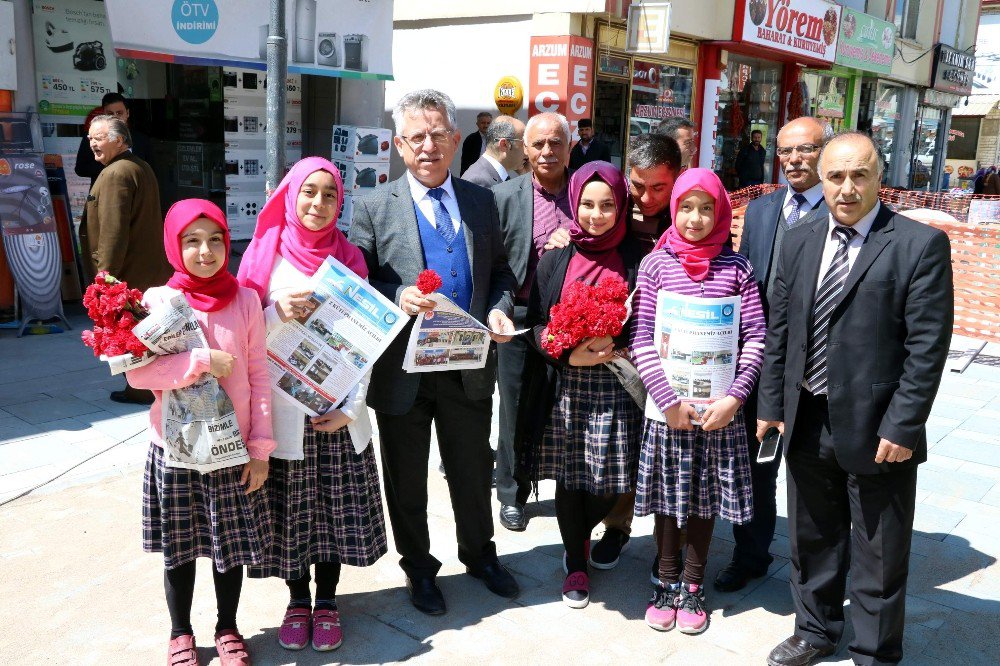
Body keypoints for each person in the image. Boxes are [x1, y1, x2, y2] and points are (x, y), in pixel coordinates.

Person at [759, 132, 953, 666]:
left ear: (878, 178)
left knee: (879, 553)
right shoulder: (798, 239)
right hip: (806, 418)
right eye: (835, 176)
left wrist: (903, 426)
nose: (846, 188)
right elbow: (783, 331)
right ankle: (815, 630)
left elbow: (926, 348)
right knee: (812, 537)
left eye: (858, 175)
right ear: (820, 180)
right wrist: (771, 406)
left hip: (879, 428)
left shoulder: (918, 244)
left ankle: (874, 651)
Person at [348, 89, 519, 616]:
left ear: (454, 138)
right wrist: (397, 295)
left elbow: (503, 274)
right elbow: (362, 280)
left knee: (470, 468)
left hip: (468, 365)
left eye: (438, 134)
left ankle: (480, 555)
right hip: (403, 371)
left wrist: (499, 308)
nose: (429, 146)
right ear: (400, 145)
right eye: (417, 136)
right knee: (406, 476)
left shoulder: (479, 200)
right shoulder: (374, 205)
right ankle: (419, 569)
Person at [238, 157, 387, 653]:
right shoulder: (263, 256)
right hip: (281, 416)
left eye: (328, 195)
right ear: (290, 195)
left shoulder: (349, 258)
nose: (318, 204)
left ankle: (327, 600)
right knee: (290, 513)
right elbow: (241, 333)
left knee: (330, 513)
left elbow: (366, 343)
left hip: (335, 413)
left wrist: (353, 408)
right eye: (309, 193)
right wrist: (274, 311)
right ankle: (296, 599)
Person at [126, 199, 273, 666]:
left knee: (228, 549)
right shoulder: (157, 302)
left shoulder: (246, 299)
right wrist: (201, 362)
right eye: (192, 241)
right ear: (174, 245)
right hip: (176, 448)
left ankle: (228, 628)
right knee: (181, 548)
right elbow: (137, 375)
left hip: (232, 449)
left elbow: (258, 374)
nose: (205, 251)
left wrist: (260, 448)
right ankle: (180, 632)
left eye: (215, 240)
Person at [631, 168, 765, 634]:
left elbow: (755, 338)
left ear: (722, 212)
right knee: (669, 500)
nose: (695, 218)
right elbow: (642, 338)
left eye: (706, 208)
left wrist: (735, 398)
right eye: (686, 207)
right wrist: (667, 400)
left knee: (704, 502)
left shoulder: (738, 269)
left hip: (717, 415)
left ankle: (692, 585)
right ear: (673, 210)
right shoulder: (655, 265)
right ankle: (665, 581)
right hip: (669, 412)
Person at [518, 160, 644, 608]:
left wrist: (616, 344)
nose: (596, 214)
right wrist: (562, 349)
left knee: (612, 477)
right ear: (573, 204)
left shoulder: (637, 257)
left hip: (617, 388)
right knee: (571, 479)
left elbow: (646, 322)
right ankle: (575, 562)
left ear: (621, 205)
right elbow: (533, 323)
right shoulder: (557, 258)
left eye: (607, 204)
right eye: (587, 204)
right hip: (566, 386)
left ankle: (591, 533)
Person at [715, 116, 829, 594]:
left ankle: (818, 569)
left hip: (816, 365)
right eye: (785, 152)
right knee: (755, 465)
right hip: (759, 358)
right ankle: (752, 553)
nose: (795, 160)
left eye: (806, 150)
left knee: (812, 472)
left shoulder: (840, 212)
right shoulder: (762, 211)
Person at [586, 132, 683, 574]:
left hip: (675, 354)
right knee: (622, 445)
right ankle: (617, 526)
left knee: (668, 450)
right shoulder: (617, 211)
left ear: (677, 179)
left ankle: (673, 543)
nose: (645, 197)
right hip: (617, 351)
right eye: (637, 186)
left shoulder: (691, 217)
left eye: (657, 188)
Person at [493, 111, 577, 531]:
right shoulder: (505, 196)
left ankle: (568, 489)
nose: (547, 151)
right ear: (524, 149)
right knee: (513, 408)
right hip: (520, 317)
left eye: (555, 143)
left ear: (570, 147)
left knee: (564, 409)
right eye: (538, 144)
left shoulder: (585, 193)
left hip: (571, 320)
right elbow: (495, 261)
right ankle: (511, 492)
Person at [84, 114, 172, 404]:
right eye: (90, 138)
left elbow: (113, 232)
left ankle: (140, 388)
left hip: (127, 273)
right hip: (145, 268)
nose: (91, 143)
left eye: (98, 137)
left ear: (119, 140)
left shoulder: (116, 173)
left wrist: (104, 279)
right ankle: (144, 387)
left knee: (127, 332)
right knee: (141, 331)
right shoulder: (139, 166)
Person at [75, 92, 155, 188]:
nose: (115, 117)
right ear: (104, 114)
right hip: (105, 194)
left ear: (127, 113)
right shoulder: (92, 138)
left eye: (119, 113)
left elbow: (152, 172)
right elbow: (80, 169)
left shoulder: (142, 140)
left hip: (135, 196)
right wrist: (111, 165)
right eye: (110, 114)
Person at [461, 115, 526, 188]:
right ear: (504, 145)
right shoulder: (478, 181)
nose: (527, 152)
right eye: (524, 144)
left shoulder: (494, 176)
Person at [460, 111, 493, 175]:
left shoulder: (495, 139)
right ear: (477, 124)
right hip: (475, 175)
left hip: (492, 175)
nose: (486, 125)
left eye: (488, 123)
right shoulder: (470, 139)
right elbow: (465, 162)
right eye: (483, 123)